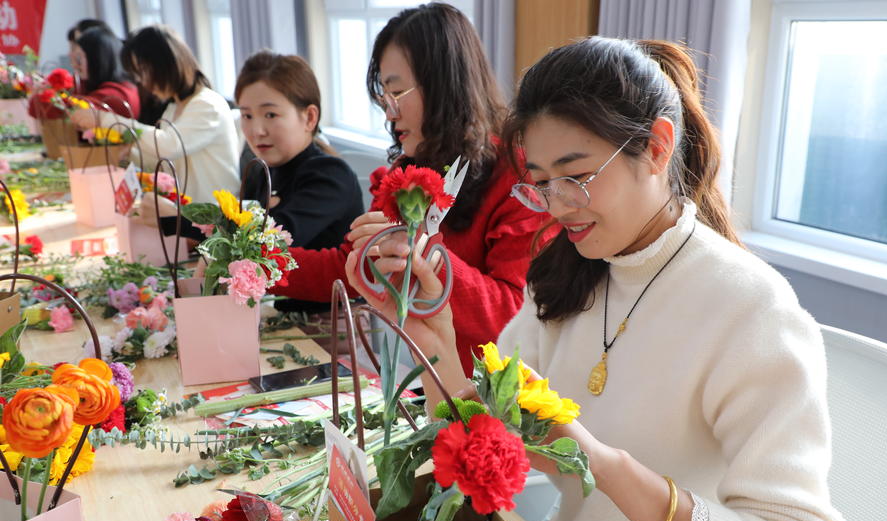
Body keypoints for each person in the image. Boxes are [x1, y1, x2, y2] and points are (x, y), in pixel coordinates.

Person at [347, 37, 848, 521]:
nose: (557, 207)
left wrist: (604, 465)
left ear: (658, 148)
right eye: (540, 183)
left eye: (577, 177)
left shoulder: (750, 311)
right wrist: (433, 339)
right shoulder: (571, 272)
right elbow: (487, 441)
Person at [271, 2, 550, 373]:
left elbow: (510, 315)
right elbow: (352, 267)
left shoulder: (517, 176)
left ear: (444, 86)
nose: (389, 113)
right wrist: (260, 266)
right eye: (384, 97)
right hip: (428, 377)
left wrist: (418, 249)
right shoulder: (409, 170)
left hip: (494, 392)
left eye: (397, 93)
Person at [70, 25, 239, 236]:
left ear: (165, 65)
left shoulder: (207, 104)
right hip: (188, 220)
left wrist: (104, 119)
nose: (142, 81)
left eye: (142, 71)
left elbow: (168, 145)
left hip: (215, 226)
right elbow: (161, 163)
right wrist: (128, 153)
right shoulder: (174, 108)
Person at [235, 50, 362, 251]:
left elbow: (270, 241)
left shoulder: (331, 175)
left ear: (310, 117)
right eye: (247, 116)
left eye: (270, 114)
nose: (257, 131)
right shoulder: (261, 172)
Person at [30, 26, 140, 120]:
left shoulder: (115, 95)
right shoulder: (96, 86)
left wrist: (42, 94)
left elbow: (45, 109)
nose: (75, 63)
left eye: (79, 57)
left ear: (97, 59)